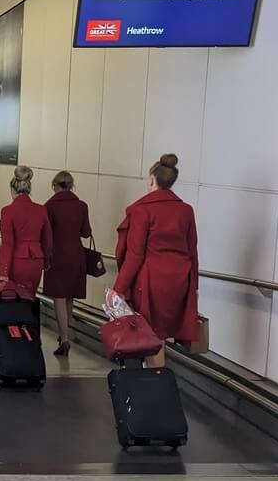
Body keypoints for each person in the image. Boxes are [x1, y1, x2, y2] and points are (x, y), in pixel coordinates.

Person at [111, 154, 199, 368]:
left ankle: (157, 385)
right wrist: (193, 287)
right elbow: (192, 252)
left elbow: (135, 255)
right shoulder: (186, 210)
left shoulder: (142, 210)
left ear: (152, 179)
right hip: (179, 282)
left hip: (150, 281)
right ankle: (157, 380)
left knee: (152, 335)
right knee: (162, 335)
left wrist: (118, 289)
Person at [43, 171, 92, 357]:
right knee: (70, 296)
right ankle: (65, 335)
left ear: (55, 186)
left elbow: (46, 233)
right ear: (71, 186)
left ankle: (63, 338)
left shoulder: (49, 206)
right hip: (76, 256)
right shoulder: (81, 206)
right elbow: (86, 232)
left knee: (59, 298)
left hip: (57, 257)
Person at [0, 166, 53, 302]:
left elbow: (8, 244)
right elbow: (48, 239)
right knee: (29, 298)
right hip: (36, 262)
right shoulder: (41, 210)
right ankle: (28, 322)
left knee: (13, 300)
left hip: (16, 262)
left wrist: (3, 273)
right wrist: (46, 261)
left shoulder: (8, 211)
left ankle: (16, 323)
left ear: (13, 189)